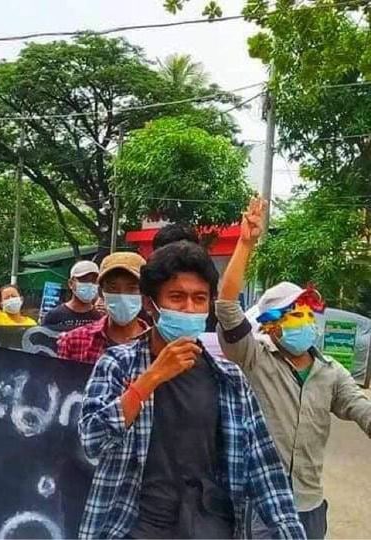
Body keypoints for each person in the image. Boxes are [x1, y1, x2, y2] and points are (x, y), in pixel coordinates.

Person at [79, 240, 305, 539]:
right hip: (136, 526)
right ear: (151, 304)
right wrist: (151, 378)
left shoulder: (229, 379)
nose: (189, 308)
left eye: (199, 299)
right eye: (176, 297)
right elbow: (92, 440)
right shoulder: (117, 364)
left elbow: (264, 469)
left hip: (209, 525)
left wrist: (289, 531)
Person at [218, 197, 371, 539]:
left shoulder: (330, 371)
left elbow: (362, 409)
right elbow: (227, 306)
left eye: (306, 312)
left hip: (309, 505)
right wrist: (245, 243)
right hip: (260, 502)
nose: (303, 320)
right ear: (271, 325)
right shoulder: (254, 357)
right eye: (292, 314)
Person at [55, 252, 148, 363]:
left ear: (145, 293)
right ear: (101, 292)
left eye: (132, 288)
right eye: (113, 288)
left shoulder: (157, 346)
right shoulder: (73, 341)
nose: (122, 296)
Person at [41, 260, 103, 331]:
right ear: (71, 283)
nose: (90, 284)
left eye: (94, 281)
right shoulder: (54, 316)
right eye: (84, 280)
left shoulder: (99, 317)